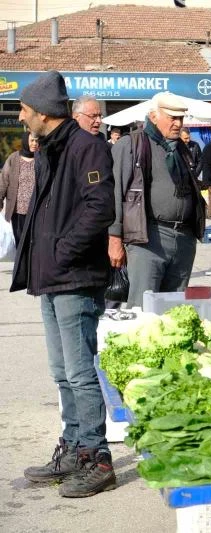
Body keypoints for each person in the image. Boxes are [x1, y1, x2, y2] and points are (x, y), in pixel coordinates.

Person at [12, 70, 116, 497]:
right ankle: (74, 447)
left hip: (74, 276)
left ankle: (97, 456)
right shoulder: (53, 148)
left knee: (79, 370)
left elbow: (99, 208)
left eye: (23, 110)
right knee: (62, 372)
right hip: (54, 278)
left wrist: (61, 252)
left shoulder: (87, 147)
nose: (20, 118)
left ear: (41, 113)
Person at [108, 92, 206, 309]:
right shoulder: (131, 144)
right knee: (144, 310)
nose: (178, 123)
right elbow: (115, 193)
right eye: (172, 117)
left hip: (183, 239)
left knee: (174, 312)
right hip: (148, 239)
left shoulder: (180, 148)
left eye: (180, 118)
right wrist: (114, 239)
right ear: (153, 117)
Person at [0, 131, 38, 244]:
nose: (35, 143)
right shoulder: (13, 158)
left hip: (36, 210)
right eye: (32, 141)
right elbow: (3, 181)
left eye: (37, 141)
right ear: (26, 141)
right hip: (17, 211)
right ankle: (20, 262)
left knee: (34, 242)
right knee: (19, 242)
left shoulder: (42, 158)